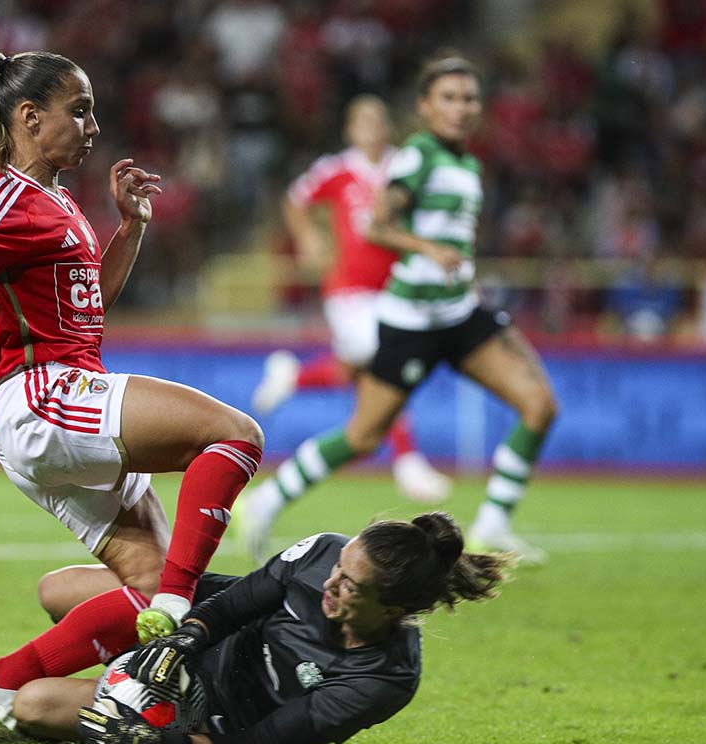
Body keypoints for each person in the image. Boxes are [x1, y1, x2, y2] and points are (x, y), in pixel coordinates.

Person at [0, 50, 264, 729]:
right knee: (235, 436)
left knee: (144, 582)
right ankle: (175, 607)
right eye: (78, 110)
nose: (93, 125)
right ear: (28, 117)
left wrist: (130, 228)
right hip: (44, 395)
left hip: (53, 400)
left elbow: (89, 308)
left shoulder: (52, 199)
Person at [237, 54, 558, 564]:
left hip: (459, 315)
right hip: (412, 321)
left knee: (540, 405)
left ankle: (493, 525)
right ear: (426, 106)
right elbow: (376, 226)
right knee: (364, 435)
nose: (460, 108)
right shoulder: (417, 158)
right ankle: (268, 499)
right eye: (448, 98)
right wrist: (427, 249)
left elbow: (457, 245)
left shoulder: (467, 164)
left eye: (469, 98)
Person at [5, 512, 509, 744]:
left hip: (217, 703)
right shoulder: (323, 553)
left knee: (32, 706)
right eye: (339, 567)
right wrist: (184, 639)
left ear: (392, 609)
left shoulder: (384, 677)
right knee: (58, 589)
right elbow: (236, 603)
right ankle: (128, 669)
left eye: (351, 585)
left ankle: (133, 695)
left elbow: (270, 740)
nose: (331, 581)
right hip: (212, 627)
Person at [250, 95, 452, 536]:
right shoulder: (335, 169)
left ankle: (295, 379)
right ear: (350, 130)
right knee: (385, 362)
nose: (371, 130)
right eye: (363, 123)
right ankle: (407, 460)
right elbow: (294, 198)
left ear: (387, 127)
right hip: (348, 290)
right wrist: (306, 236)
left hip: (396, 287)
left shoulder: (404, 166)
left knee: (363, 372)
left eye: (378, 122)